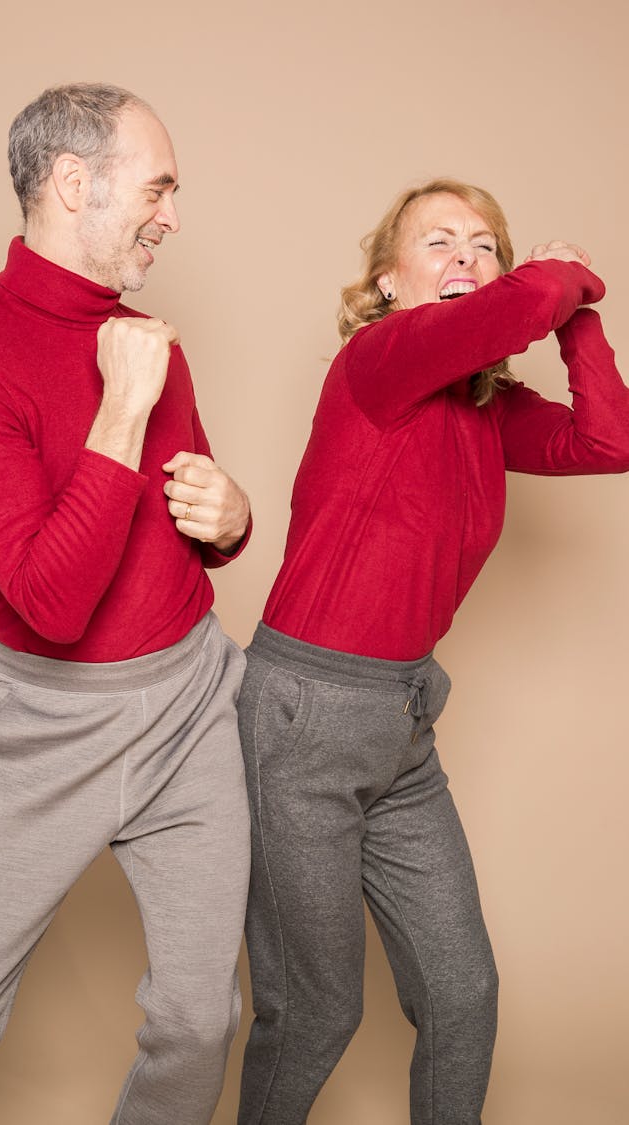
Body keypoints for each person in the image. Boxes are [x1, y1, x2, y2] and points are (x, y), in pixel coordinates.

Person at [0, 83, 252, 1125]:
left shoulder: (148, 340)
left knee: (199, 1020)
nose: (173, 216)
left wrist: (231, 520)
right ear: (74, 183)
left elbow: (185, 520)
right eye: (159, 188)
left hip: (189, 705)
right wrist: (121, 407)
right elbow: (50, 600)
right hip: (44, 727)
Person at [236, 178, 629, 1125]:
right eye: (438, 242)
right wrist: (561, 278)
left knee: (464, 996)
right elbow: (522, 303)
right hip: (305, 721)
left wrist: (576, 318)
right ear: (386, 283)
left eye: (485, 243)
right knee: (317, 1013)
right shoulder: (379, 359)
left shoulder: (489, 411)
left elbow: (608, 440)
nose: (465, 258)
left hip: (406, 724)